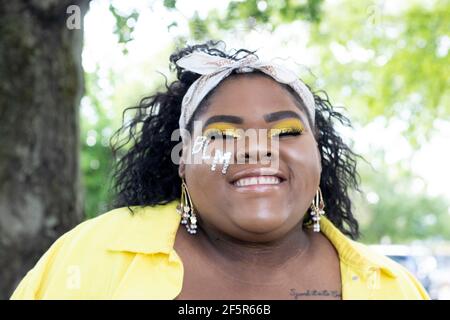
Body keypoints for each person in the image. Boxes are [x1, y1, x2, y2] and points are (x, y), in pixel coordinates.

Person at [11, 41, 429, 299]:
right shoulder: (93, 255)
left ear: (319, 156)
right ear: (181, 162)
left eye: (285, 131)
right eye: (224, 134)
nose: (256, 150)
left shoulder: (393, 287)